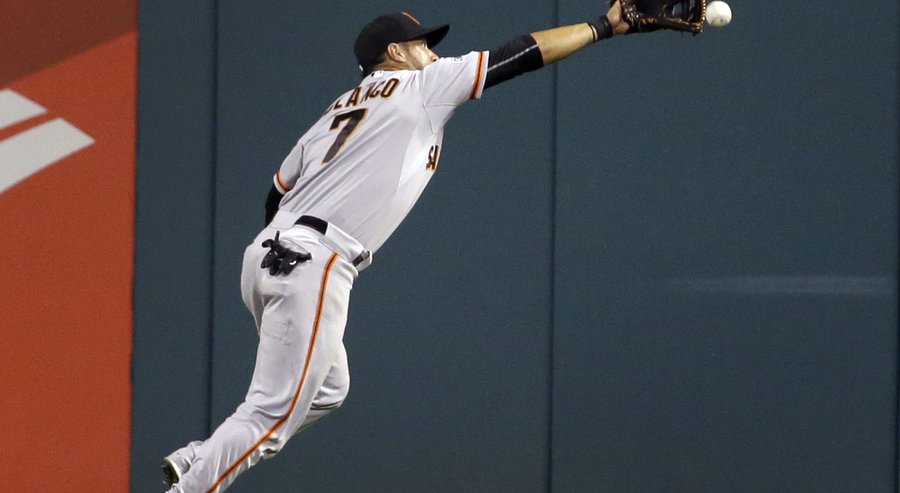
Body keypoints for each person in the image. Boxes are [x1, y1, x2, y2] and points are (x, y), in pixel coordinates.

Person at [163, 3, 629, 491]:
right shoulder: (420, 85)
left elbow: (277, 191)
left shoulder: (338, 107)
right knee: (271, 416)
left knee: (326, 389)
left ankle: (202, 456)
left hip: (267, 253)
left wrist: (282, 252)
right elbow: (517, 56)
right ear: (396, 52)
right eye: (423, 43)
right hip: (316, 258)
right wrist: (603, 27)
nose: (432, 51)